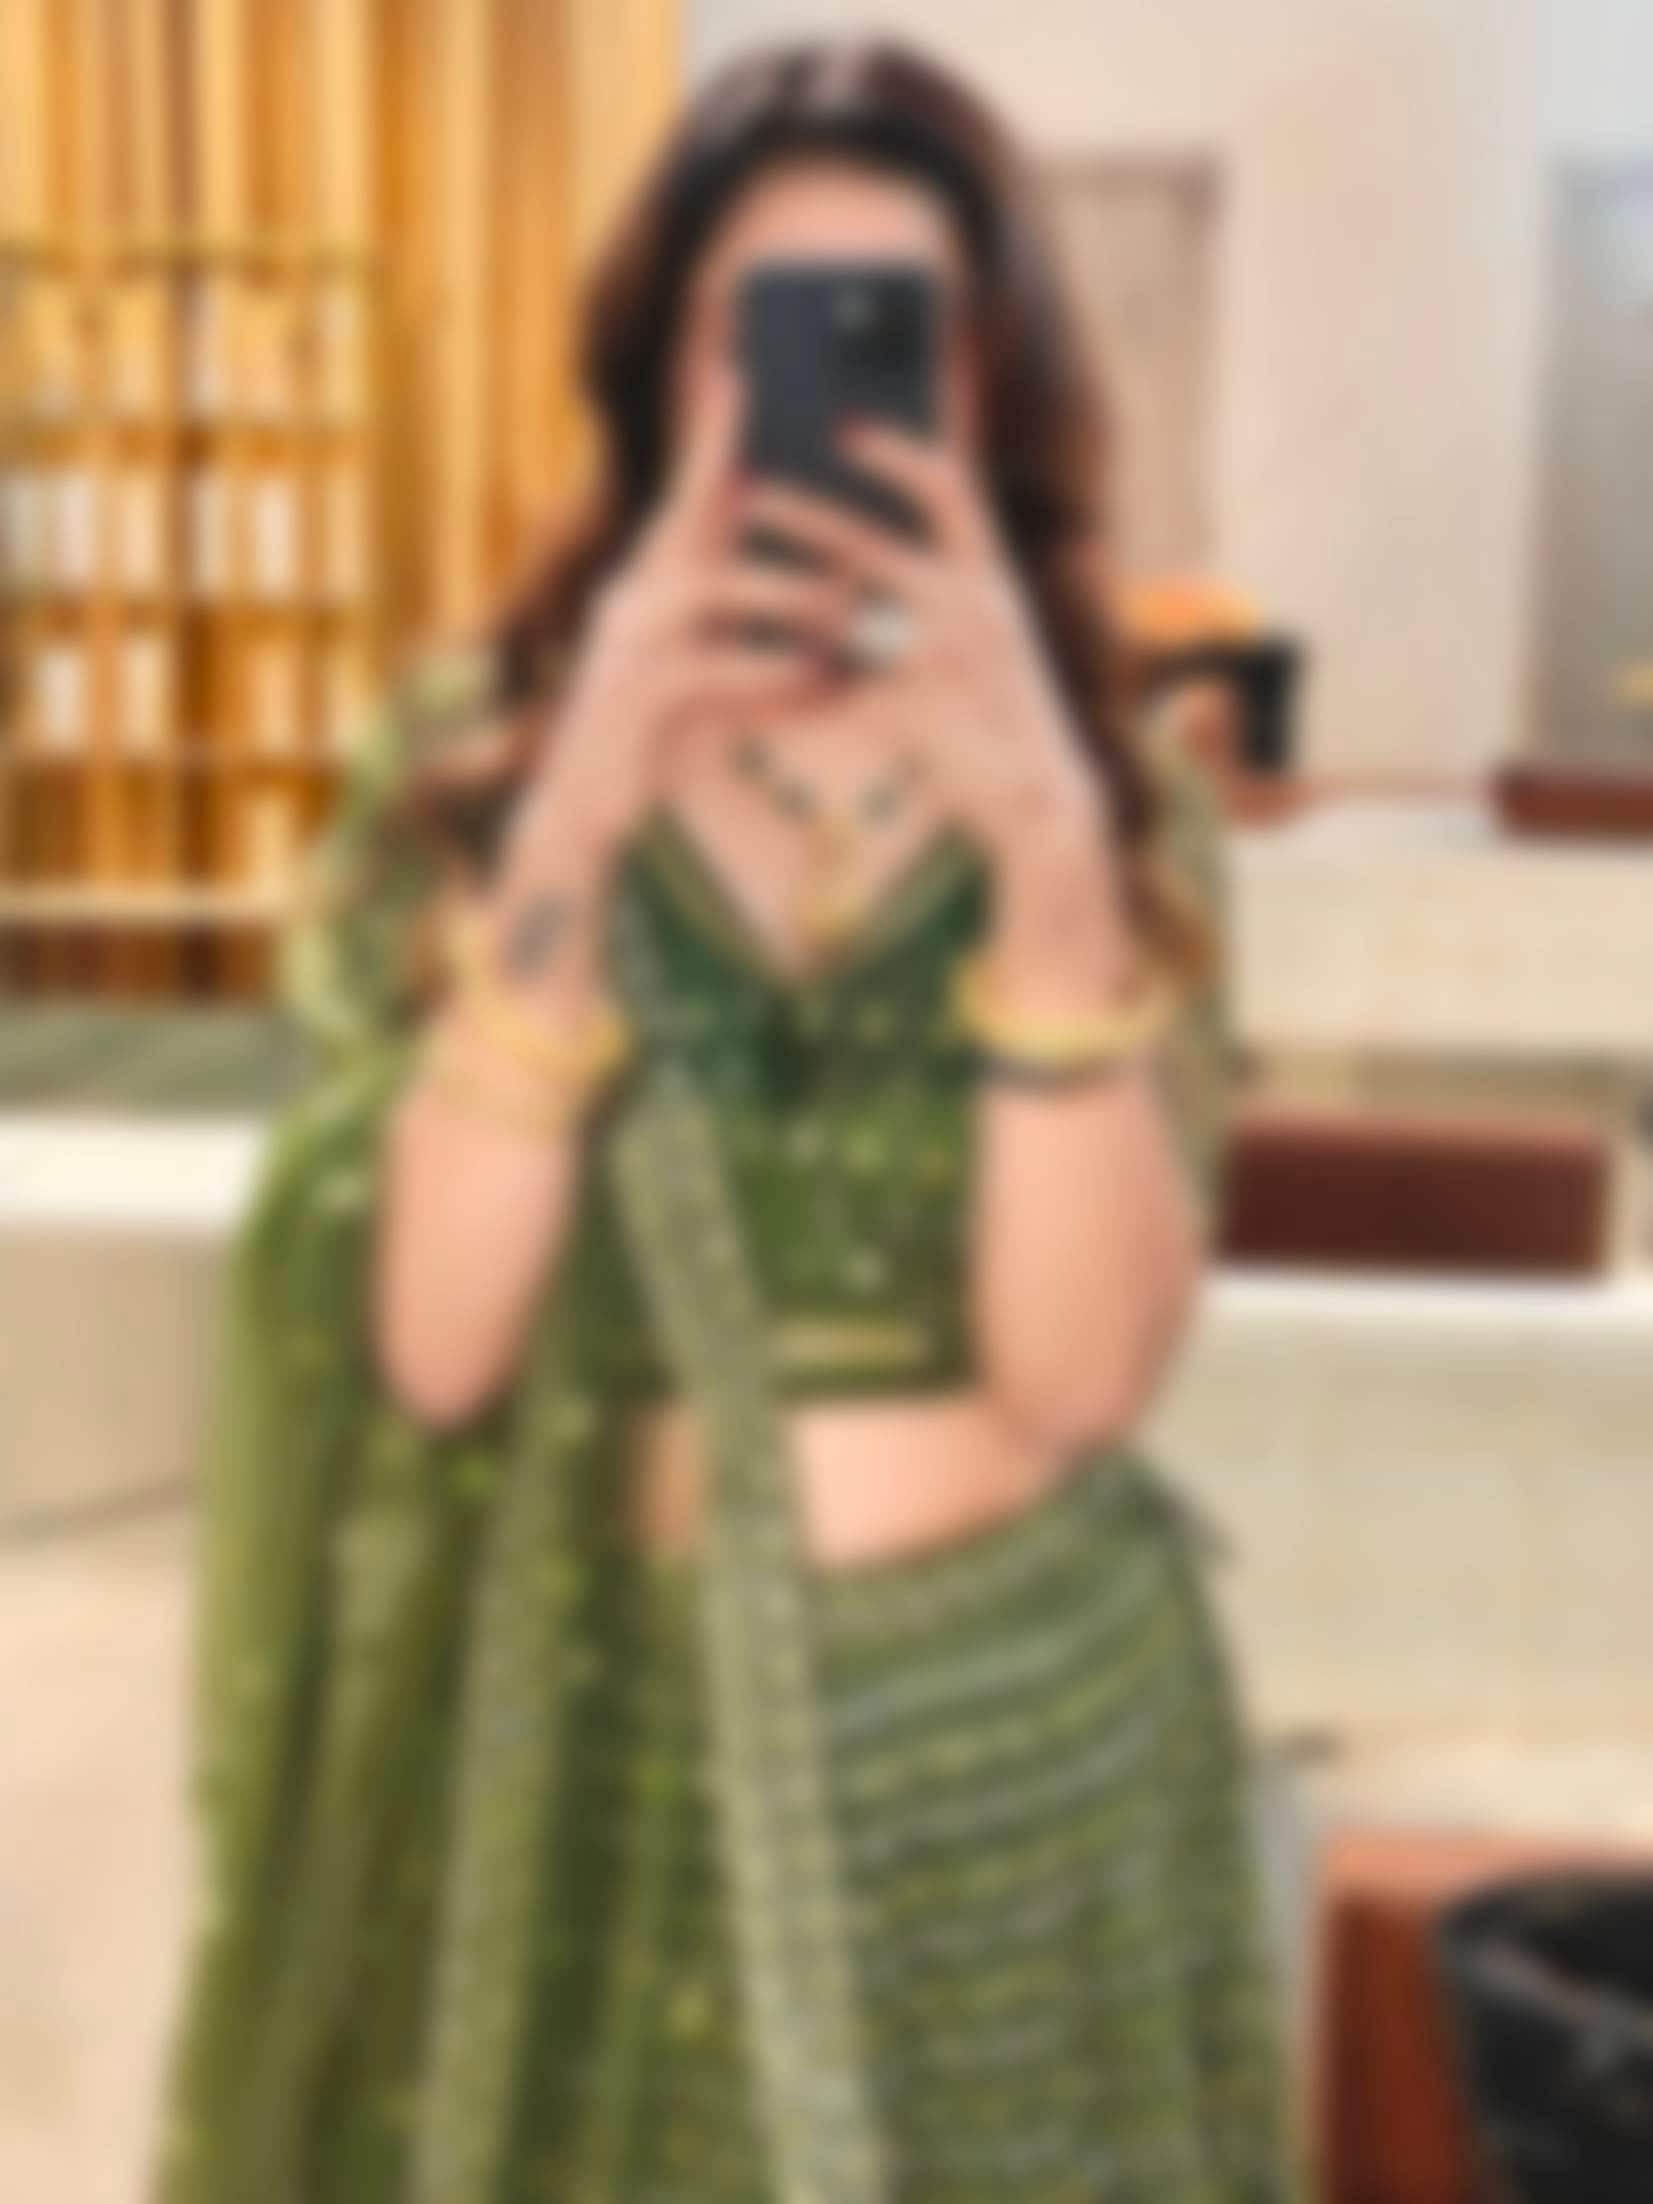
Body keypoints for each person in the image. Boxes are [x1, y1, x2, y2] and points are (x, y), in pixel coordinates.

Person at [153, 36, 1306, 2204]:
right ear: (660, 384)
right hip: (605, 1760)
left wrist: (1047, 865)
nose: (827, 400)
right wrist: (578, 806)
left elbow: (1078, 1381)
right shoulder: (481, 759)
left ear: (989, 388)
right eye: (752, 334)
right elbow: (432, 1348)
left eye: (905, 340)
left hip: (1023, 1765)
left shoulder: (1112, 796)